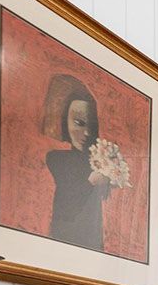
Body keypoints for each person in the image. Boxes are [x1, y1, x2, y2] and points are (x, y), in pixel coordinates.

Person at [41, 74, 112, 252]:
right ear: (65, 122)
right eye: (78, 123)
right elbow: (70, 196)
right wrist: (93, 180)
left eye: (91, 125)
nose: (86, 132)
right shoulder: (57, 158)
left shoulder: (99, 161)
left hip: (93, 241)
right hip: (64, 235)